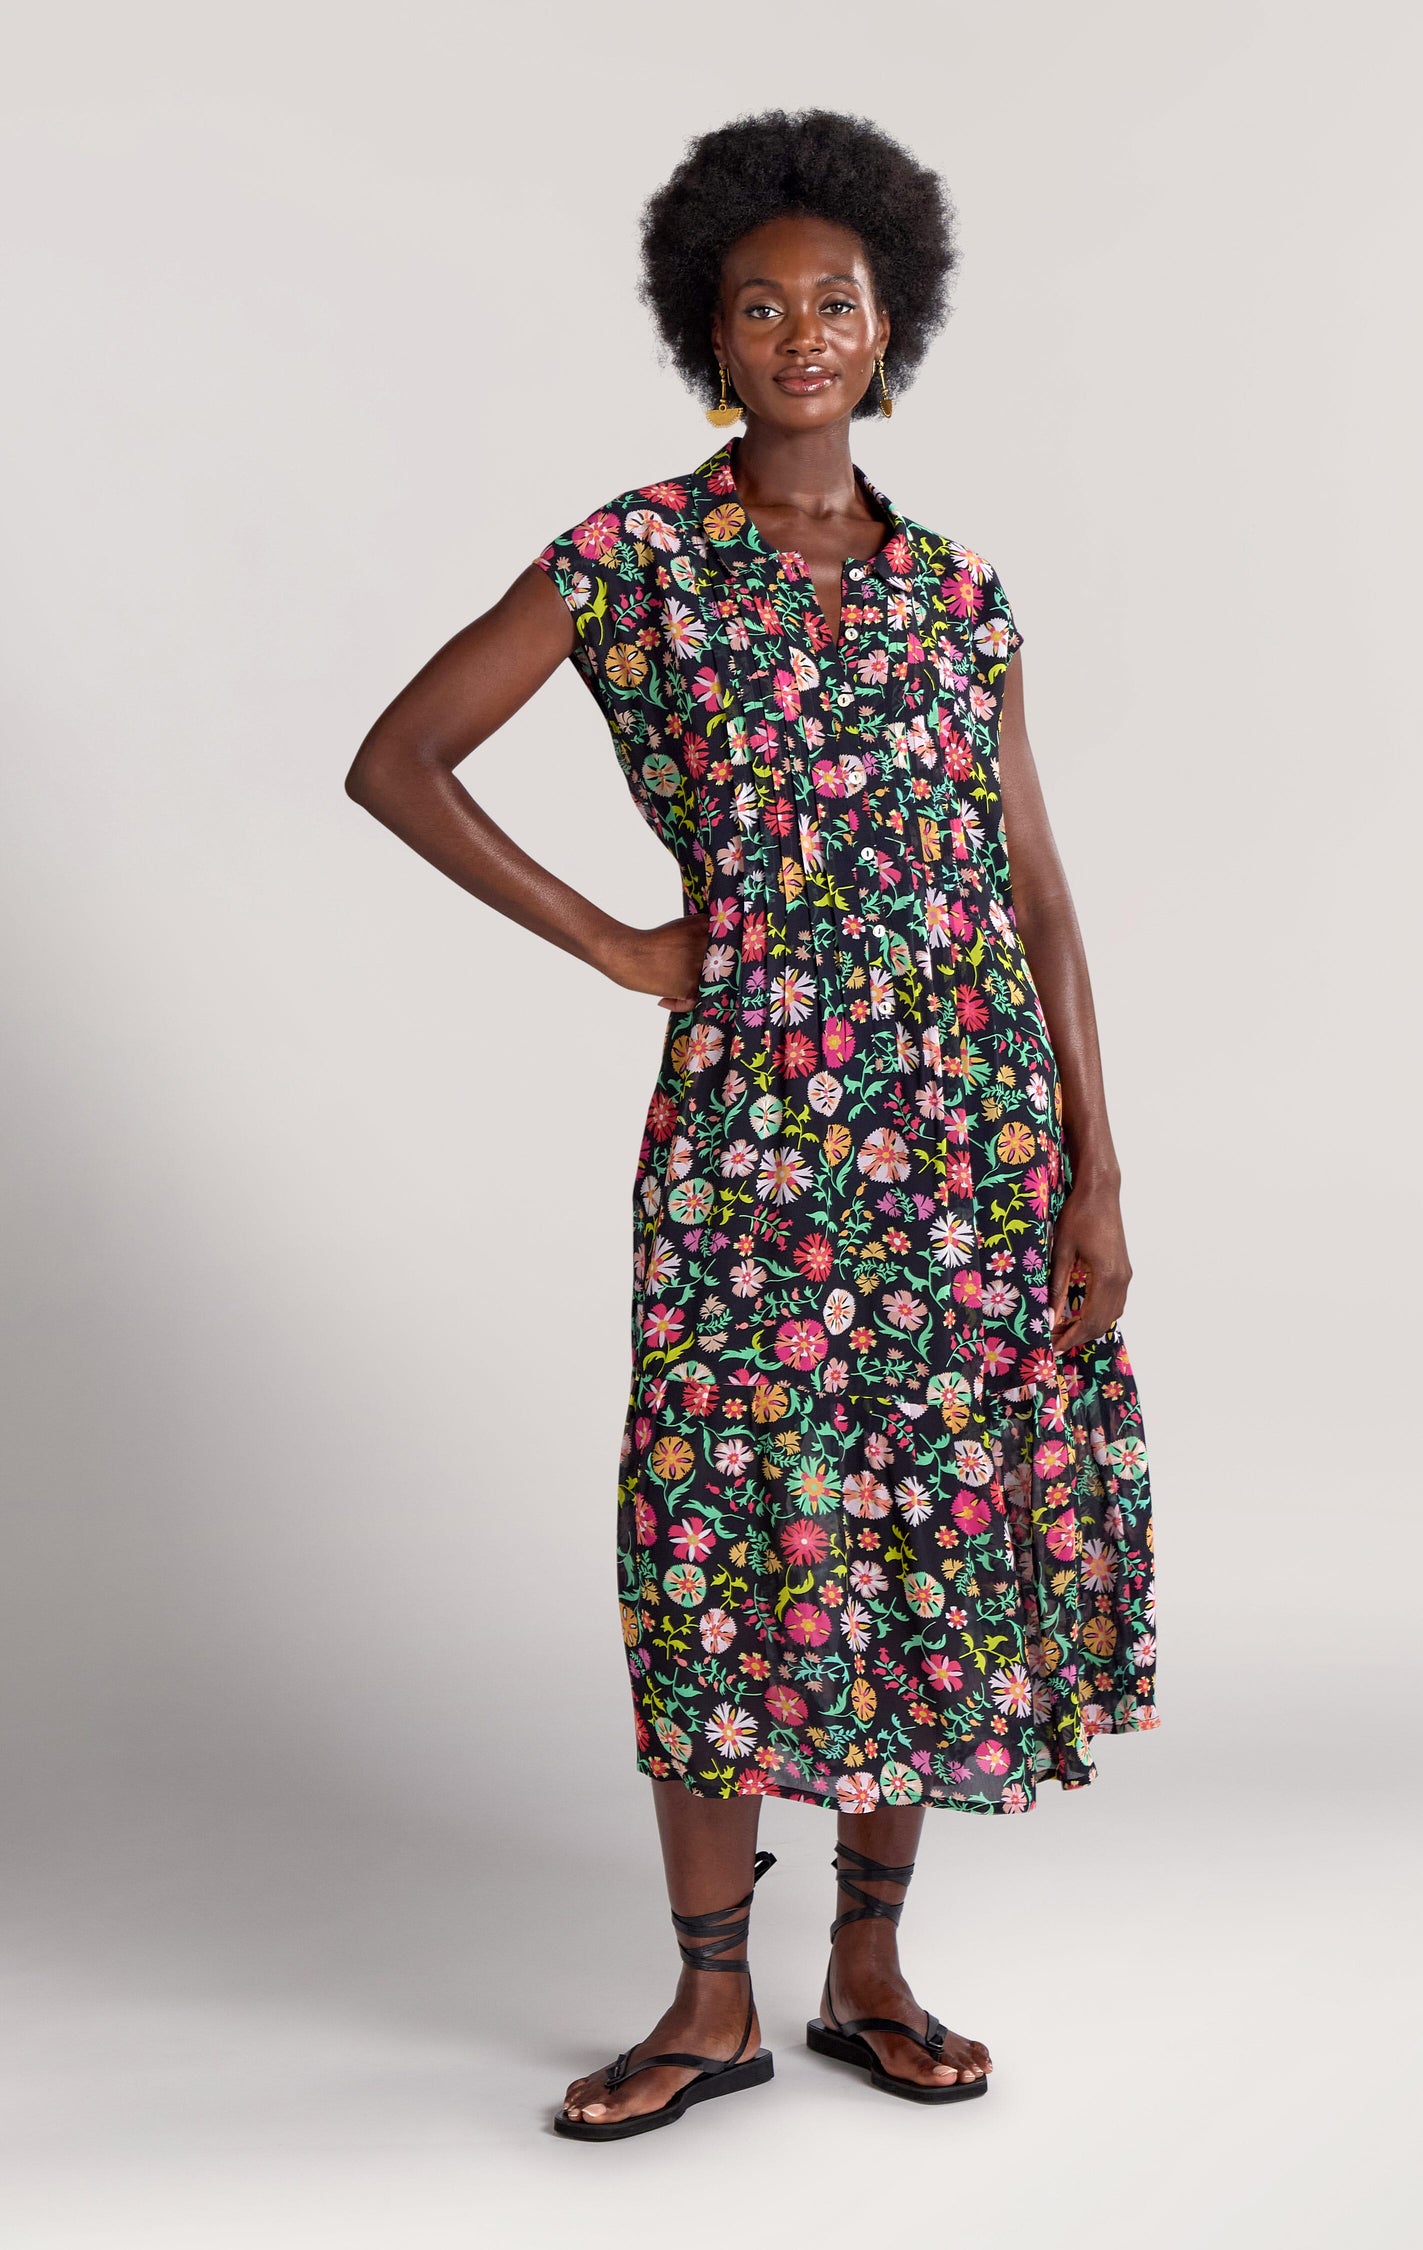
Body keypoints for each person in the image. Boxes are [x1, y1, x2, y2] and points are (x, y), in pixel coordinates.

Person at [346, 107, 1157, 2142]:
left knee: (917, 1526)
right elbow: (402, 758)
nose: (804, 333)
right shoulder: (635, 560)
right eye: (760, 305)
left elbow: (1037, 897)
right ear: (710, 334)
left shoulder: (961, 598)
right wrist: (627, 945)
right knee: (714, 1523)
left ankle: (866, 1964)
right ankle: (704, 2003)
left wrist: (1100, 1169)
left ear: (895, 327)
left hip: (970, 1139)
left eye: (839, 302)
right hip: (756, 1144)